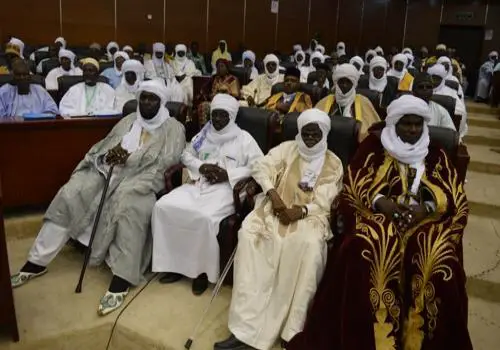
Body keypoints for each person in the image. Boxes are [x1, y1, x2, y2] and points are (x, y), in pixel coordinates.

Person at [288, 94, 471, 350]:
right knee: (364, 250)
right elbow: (353, 184)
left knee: (439, 258)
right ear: (394, 123)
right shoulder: (374, 145)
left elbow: (454, 195)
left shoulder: (436, 152)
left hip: (426, 222)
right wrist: (380, 202)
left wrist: (427, 207)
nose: (413, 129)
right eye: (406, 124)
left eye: (418, 124)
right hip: (377, 217)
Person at [11, 80, 186, 316]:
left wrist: (130, 161)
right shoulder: (128, 121)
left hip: (141, 181)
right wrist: (108, 157)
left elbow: (168, 161)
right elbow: (103, 146)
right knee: (71, 193)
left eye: (152, 99)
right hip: (107, 171)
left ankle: (122, 278)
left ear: (161, 102)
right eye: (143, 97)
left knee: (128, 208)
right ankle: (37, 261)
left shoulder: (173, 127)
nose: (146, 103)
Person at [214, 108, 343, 350]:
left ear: (325, 134)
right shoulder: (287, 148)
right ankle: (245, 329)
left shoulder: (333, 163)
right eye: (306, 133)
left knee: (309, 247)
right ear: (300, 132)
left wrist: (300, 211)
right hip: (275, 208)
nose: (310, 138)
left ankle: (291, 330)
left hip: (310, 216)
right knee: (250, 235)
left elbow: (327, 200)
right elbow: (260, 167)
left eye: (316, 134)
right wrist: (272, 194)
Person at [152, 93, 263, 295]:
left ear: (232, 117)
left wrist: (228, 174)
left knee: (204, 218)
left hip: (226, 189)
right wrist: (202, 167)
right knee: (164, 207)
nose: (218, 120)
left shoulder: (244, 139)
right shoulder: (204, 134)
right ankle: (174, 265)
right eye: (215, 115)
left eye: (223, 116)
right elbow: (186, 154)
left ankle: (200, 272)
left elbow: (259, 166)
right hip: (198, 183)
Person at [316, 63, 380, 140]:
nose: (344, 85)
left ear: (354, 84)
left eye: (348, 82)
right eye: (341, 82)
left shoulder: (364, 102)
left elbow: (372, 130)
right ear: (336, 83)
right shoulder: (326, 101)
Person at [428, 63, 468, 138]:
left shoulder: (451, 93)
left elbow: (461, 113)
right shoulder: (422, 89)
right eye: (432, 78)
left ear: (443, 79)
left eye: (437, 78)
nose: (434, 81)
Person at [197, 59, 240, 125]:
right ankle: (205, 129)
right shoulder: (215, 78)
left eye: (222, 66)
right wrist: (210, 95)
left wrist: (224, 93)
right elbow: (208, 91)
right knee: (202, 105)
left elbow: (236, 95)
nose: (219, 68)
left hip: (227, 103)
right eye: (218, 67)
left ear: (227, 68)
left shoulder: (232, 79)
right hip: (215, 102)